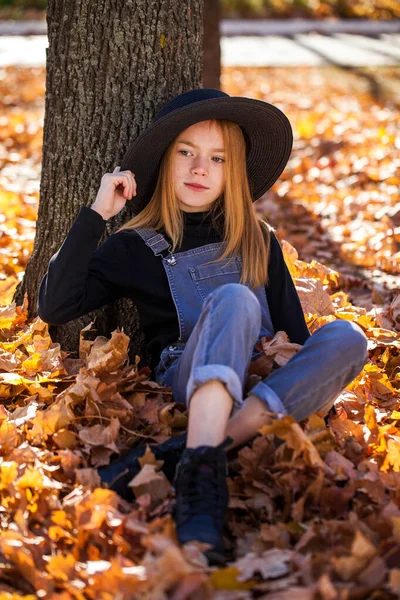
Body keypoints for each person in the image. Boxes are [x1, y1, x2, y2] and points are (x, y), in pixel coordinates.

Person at [38, 88, 368, 565]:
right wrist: (97, 215)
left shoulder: (257, 239)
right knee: (234, 299)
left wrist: (285, 356)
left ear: (232, 172)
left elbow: (296, 338)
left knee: (348, 337)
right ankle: (203, 478)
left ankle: (192, 453)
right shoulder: (136, 246)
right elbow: (55, 304)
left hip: (263, 384)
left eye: (217, 159)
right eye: (186, 154)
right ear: (164, 163)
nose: (199, 169)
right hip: (188, 374)